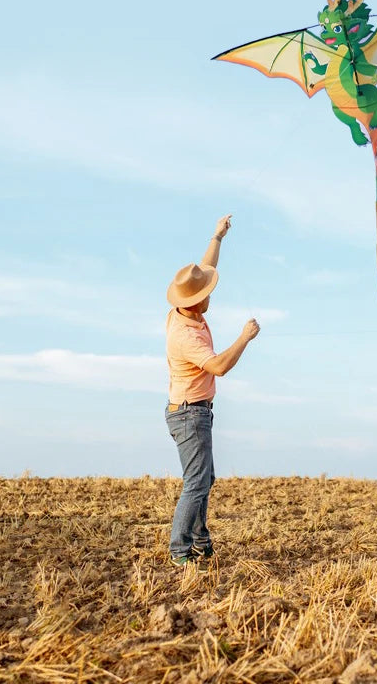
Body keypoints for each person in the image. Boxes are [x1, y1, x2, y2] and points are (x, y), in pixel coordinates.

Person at [165, 214, 260, 569]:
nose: (210, 295)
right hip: (189, 414)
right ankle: (179, 549)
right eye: (206, 293)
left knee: (205, 478)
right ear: (195, 302)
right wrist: (244, 338)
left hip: (194, 411)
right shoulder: (184, 335)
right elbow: (219, 366)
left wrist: (217, 236)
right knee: (195, 482)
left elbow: (205, 267)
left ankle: (201, 542)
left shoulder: (183, 310)